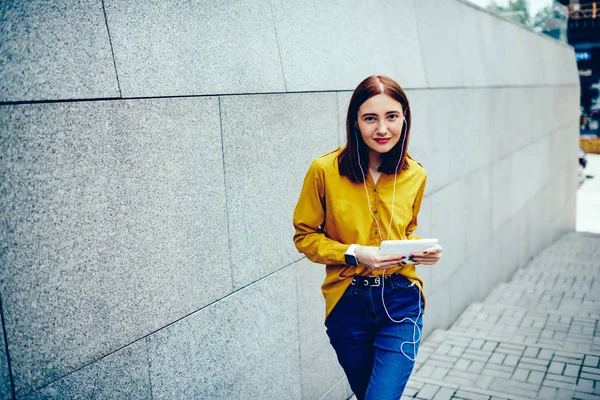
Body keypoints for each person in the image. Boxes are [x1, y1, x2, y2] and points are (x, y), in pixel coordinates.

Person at [293, 75, 443, 400]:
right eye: (370, 118)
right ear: (355, 123)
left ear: (405, 118)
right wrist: (357, 253)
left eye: (391, 117)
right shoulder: (324, 171)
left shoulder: (415, 174)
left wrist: (419, 252)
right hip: (348, 303)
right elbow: (305, 237)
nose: (382, 129)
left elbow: (405, 230)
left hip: (401, 301)